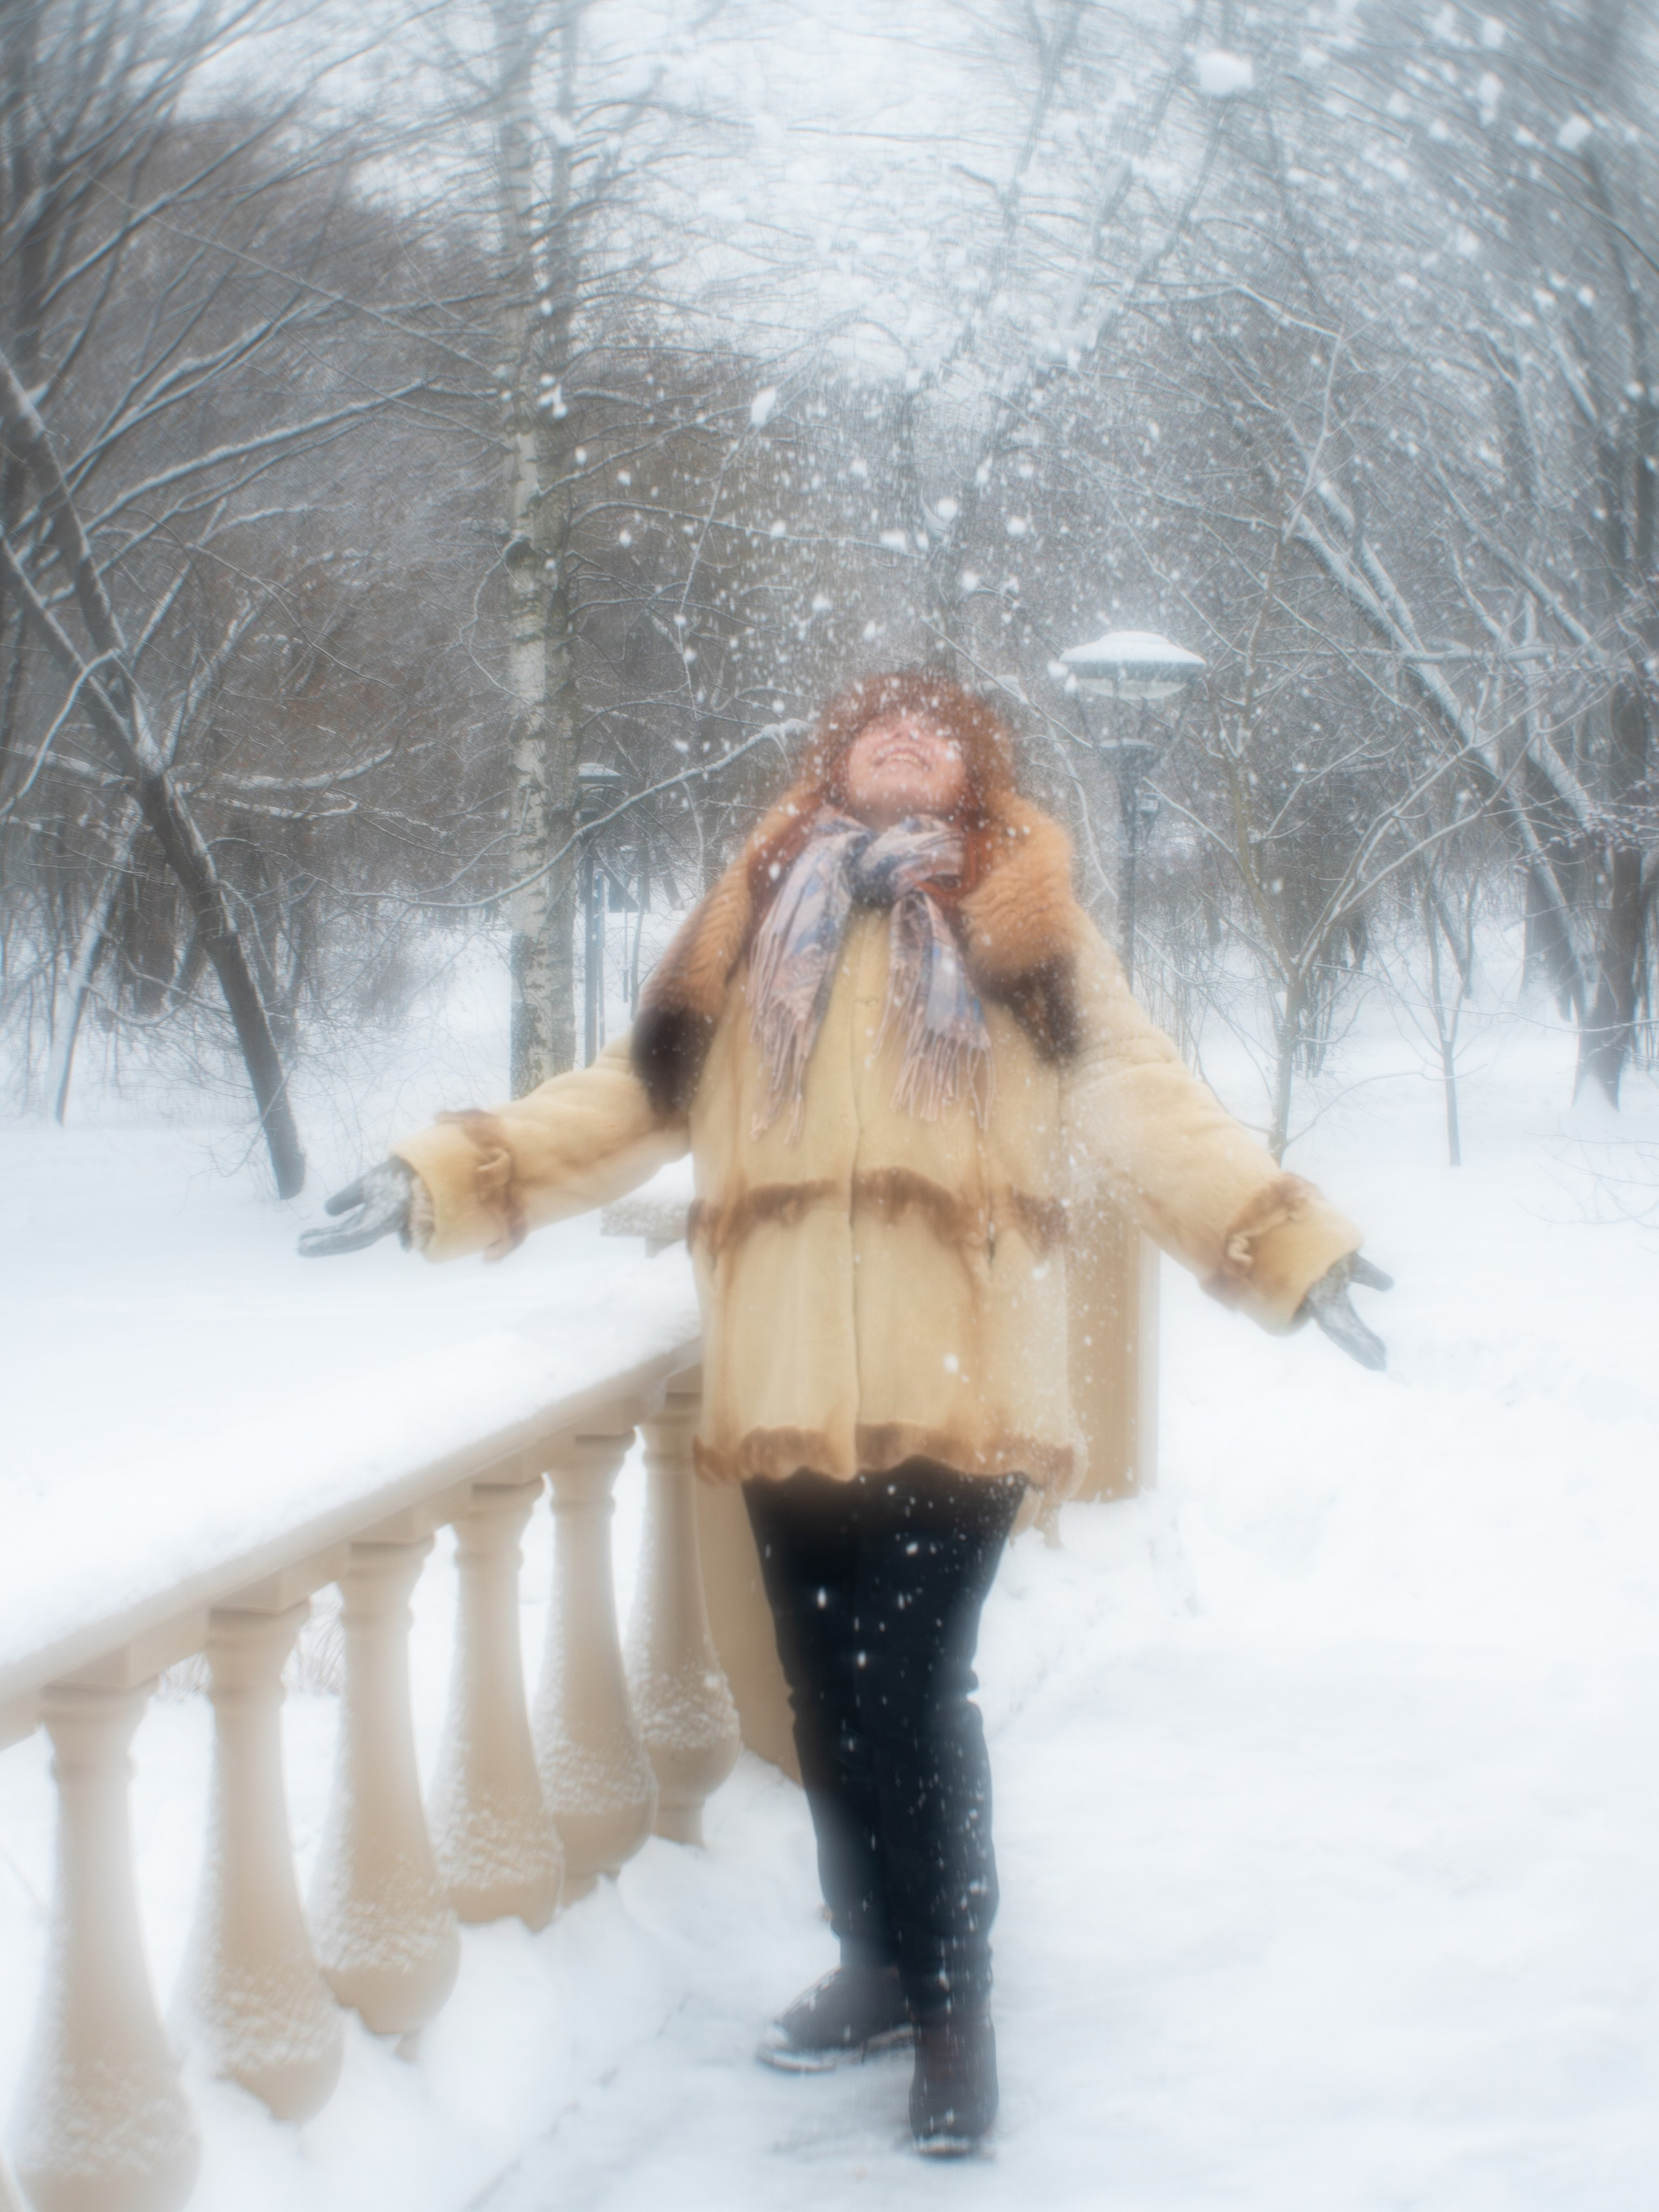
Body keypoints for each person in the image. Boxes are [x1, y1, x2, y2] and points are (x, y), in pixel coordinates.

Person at [300, 671, 1388, 2156]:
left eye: (933, 725)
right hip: (789, 1383)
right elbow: (630, 1096)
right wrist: (444, 1169)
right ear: (833, 759)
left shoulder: (1020, 913)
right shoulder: (753, 914)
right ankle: (873, 1967)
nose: (901, 736)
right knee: (824, 1694)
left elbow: (1143, 1101)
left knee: (909, 1697)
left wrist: (1282, 1240)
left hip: (965, 1382)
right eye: (874, 721)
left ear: (971, 765)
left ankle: (953, 2014)